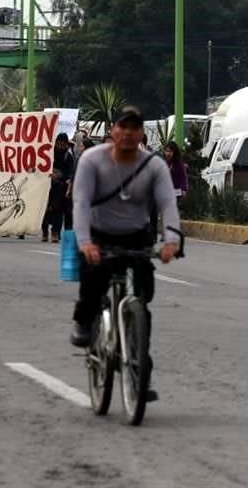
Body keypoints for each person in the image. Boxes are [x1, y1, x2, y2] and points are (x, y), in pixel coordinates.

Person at [69, 107, 181, 405]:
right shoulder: (92, 160)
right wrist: (84, 242)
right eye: (123, 127)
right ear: (113, 131)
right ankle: (84, 321)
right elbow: (80, 203)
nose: (129, 133)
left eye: (135, 128)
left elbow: (168, 205)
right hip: (99, 232)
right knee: (93, 279)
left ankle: (139, 367)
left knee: (142, 298)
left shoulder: (153, 166)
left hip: (136, 234)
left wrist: (171, 240)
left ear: (142, 133)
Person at [42, 133, 74, 242]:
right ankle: (45, 232)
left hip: (60, 188)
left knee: (58, 210)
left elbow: (70, 172)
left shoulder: (68, 156)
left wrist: (60, 177)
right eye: (58, 144)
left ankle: (55, 232)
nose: (60, 146)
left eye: (63, 144)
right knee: (44, 209)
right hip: (46, 186)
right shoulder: (48, 153)